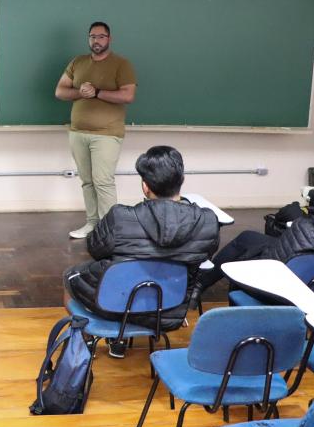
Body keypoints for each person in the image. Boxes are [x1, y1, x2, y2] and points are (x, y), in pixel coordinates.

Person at [63, 146, 220, 358]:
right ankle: (119, 339)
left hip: (114, 306)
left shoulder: (120, 217)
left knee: (70, 276)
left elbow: (95, 249)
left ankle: (88, 343)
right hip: (169, 311)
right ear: (181, 180)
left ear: (145, 186)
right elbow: (204, 258)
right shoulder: (207, 222)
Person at [198, 157, 314, 294]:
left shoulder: (306, 228)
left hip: (289, 293)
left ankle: (198, 287)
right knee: (249, 237)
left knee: (246, 251)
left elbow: (270, 264)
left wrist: (246, 259)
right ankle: (199, 286)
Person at [55, 22, 137, 239]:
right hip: (78, 132)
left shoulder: (121, 64)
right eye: (92, 36)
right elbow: (60, 91)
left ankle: (111, 231)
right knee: (88, 181)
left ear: (109, 39)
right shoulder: (78, 62)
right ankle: (92, 224)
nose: (96, 41)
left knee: (103, 181)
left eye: (101, 37)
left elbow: (128, 96)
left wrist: (97, 92)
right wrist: (80, 92)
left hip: (107, 134)